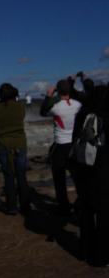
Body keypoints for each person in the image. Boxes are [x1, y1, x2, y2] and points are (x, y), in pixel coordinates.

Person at [71, 86, 109, 266]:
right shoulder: (106, 116)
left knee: (86, 211)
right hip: (104, 172)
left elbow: (74, 143)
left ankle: (85, 250)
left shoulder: (81, 116)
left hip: (84, 171)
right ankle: (101, 257)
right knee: (104, 215)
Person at [40, 79, 82, 216]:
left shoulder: (56, 107)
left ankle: (64, 206)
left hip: (60, 146)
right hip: (75, 146)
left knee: (59, 179)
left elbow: (42, 111)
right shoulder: (78, 105)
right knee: (78, 178)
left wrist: (48, 96)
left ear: (58, 91)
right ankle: (81, 203)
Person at [0, 83, 30, 215]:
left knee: (8, 177)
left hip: (3, 145)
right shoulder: (20, 107)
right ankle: (25, 207)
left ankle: (12, 207)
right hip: (19, 144)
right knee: (21, 176)